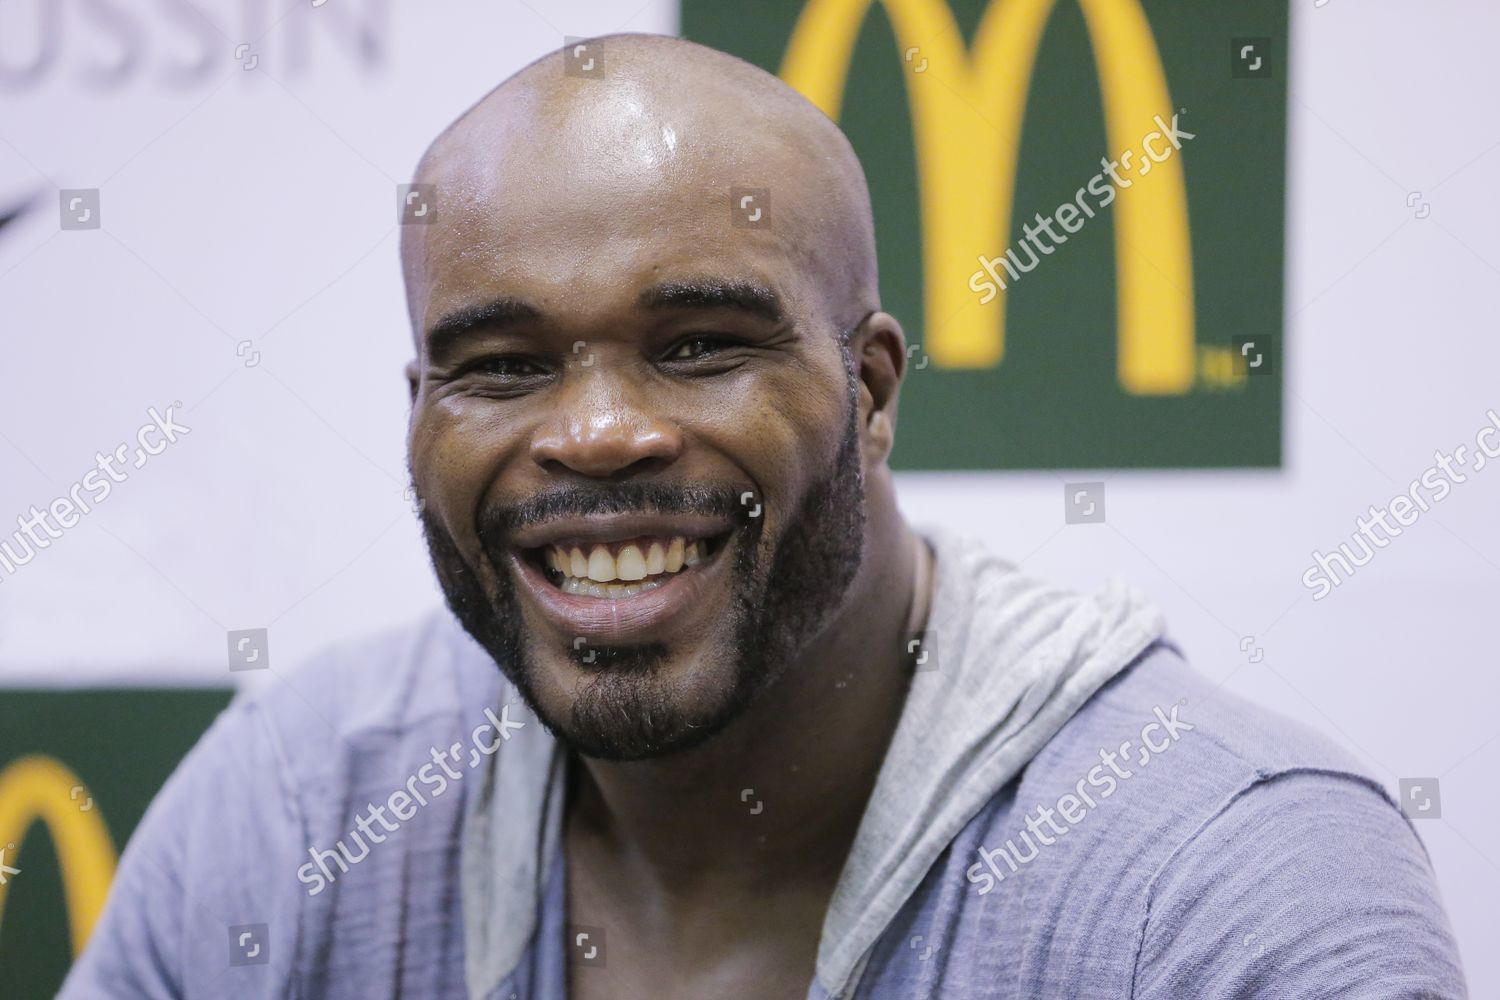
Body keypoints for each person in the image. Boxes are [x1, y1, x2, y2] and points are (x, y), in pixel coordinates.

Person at [59, 33, 1465, 1000]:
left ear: (870, 389)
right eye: (500, 367)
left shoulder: (1221, 876)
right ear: (419, 406)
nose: (596, 432)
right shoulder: (303, 806)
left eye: (698, 345)